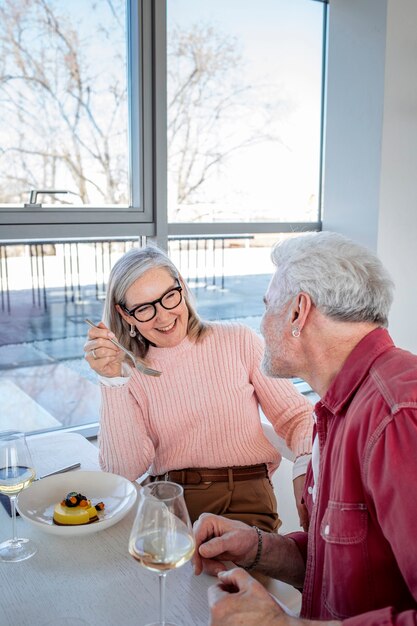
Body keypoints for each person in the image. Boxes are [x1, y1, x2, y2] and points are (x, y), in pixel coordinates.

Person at [193, 231, 417, 625]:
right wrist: (254, 547)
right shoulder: (336, 408)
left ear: (298, 311)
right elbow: (332, 569)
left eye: (267, 307)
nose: (261, 324)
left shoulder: (398, 416)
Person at [84, 244, 313, 532]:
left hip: (242, 499)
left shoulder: (239, 341)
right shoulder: (127, 372)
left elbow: (297, 417)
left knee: (228, 577)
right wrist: (112, 380)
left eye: (169, 296)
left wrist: (306, 469)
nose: (163, 317)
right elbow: (123, 471)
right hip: (163, 501)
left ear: (181, 284)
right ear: (126, 315)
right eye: (144, 308)